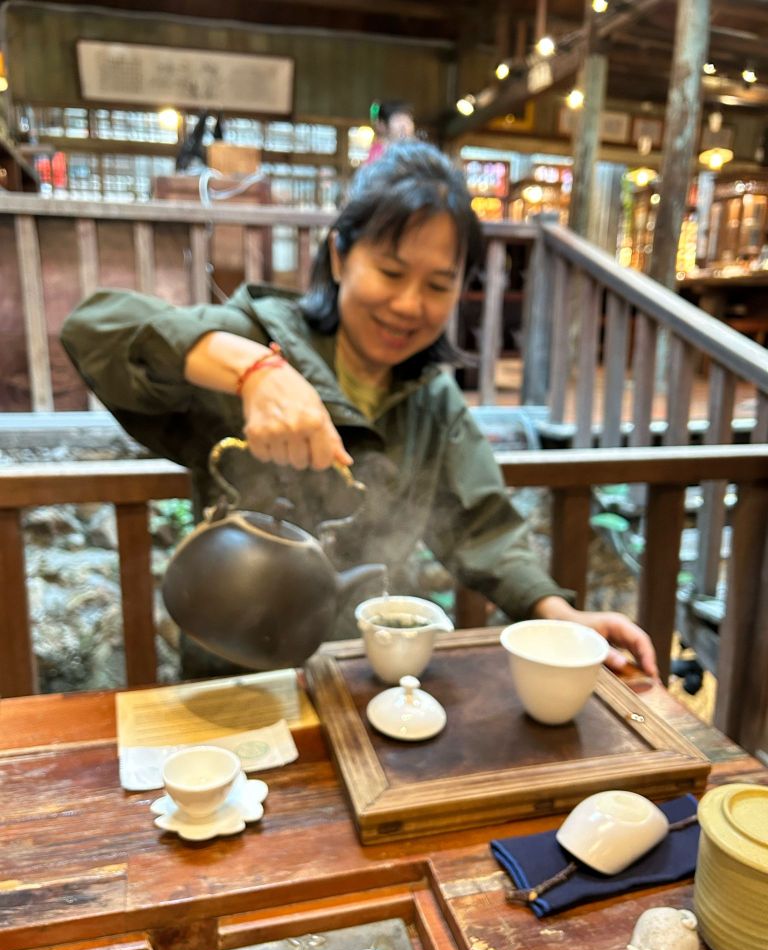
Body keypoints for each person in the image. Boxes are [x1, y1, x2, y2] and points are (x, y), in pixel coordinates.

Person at [61, 141, 657, 681]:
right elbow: (94, 329)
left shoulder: (431, 399)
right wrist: (252, 371)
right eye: (391, 271)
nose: (408, 304)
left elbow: (483, 527)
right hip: (236, 673)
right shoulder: (261, 337)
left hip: (367, 675)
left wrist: (558, 614)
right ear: (341, 256)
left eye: (437, 285)